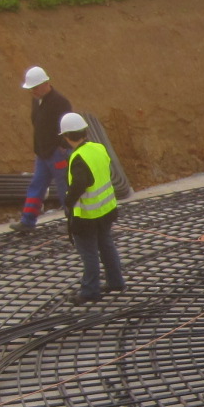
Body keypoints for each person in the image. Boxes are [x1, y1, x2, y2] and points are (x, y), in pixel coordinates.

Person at [58, 112, 126, 304]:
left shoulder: (78, 158)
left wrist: (68, 201)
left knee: (89, 253)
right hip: (106, 210)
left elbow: (80, 183)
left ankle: (89, 291)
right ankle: (115, 281)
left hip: (87, 215)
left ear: (66, 136)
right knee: (106, 244)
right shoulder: (98, 148)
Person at [12, 65, 72, 233]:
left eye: (34, 88)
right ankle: (27, 222)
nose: (32, 91)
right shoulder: (36, 100)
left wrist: (62, 147)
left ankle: (73, 222)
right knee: (36, 186)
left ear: (45, 84)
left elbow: (67, 128)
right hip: (42, 153)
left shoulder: (60, 102)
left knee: (65, 188)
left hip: (57, 153)